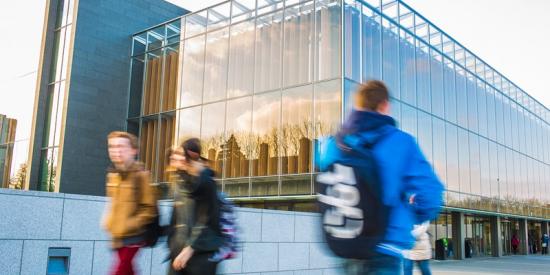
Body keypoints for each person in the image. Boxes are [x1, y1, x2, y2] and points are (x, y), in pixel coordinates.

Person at [319, 80, 444, 274]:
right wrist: (414, 216)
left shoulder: (333, 144)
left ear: (358, 106)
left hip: (346, 246)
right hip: (386, 247)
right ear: (384, 105)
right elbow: (431, 193)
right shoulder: (400, 141)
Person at [102, 131, 158, 275]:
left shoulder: (141, 175)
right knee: (127, 271)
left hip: (134, 235)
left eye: (121, 146)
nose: (116, 150)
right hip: (117, 235)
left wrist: (132, 224)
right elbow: (113, 203)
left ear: (134, 150)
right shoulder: (113, 175)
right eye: (112, 147)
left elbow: (149, 208)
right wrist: (109, 221)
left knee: (119, 271)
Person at [166, 138, 223, 275]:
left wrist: (190, 248)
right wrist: (173, 243)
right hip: (178, 250)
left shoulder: (207, 182)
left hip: (202, 253)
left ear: (190, 156)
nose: (174, 156)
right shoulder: (179, 181)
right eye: (174, 153)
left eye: (179, 153)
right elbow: (176, 218)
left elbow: (208, 219)